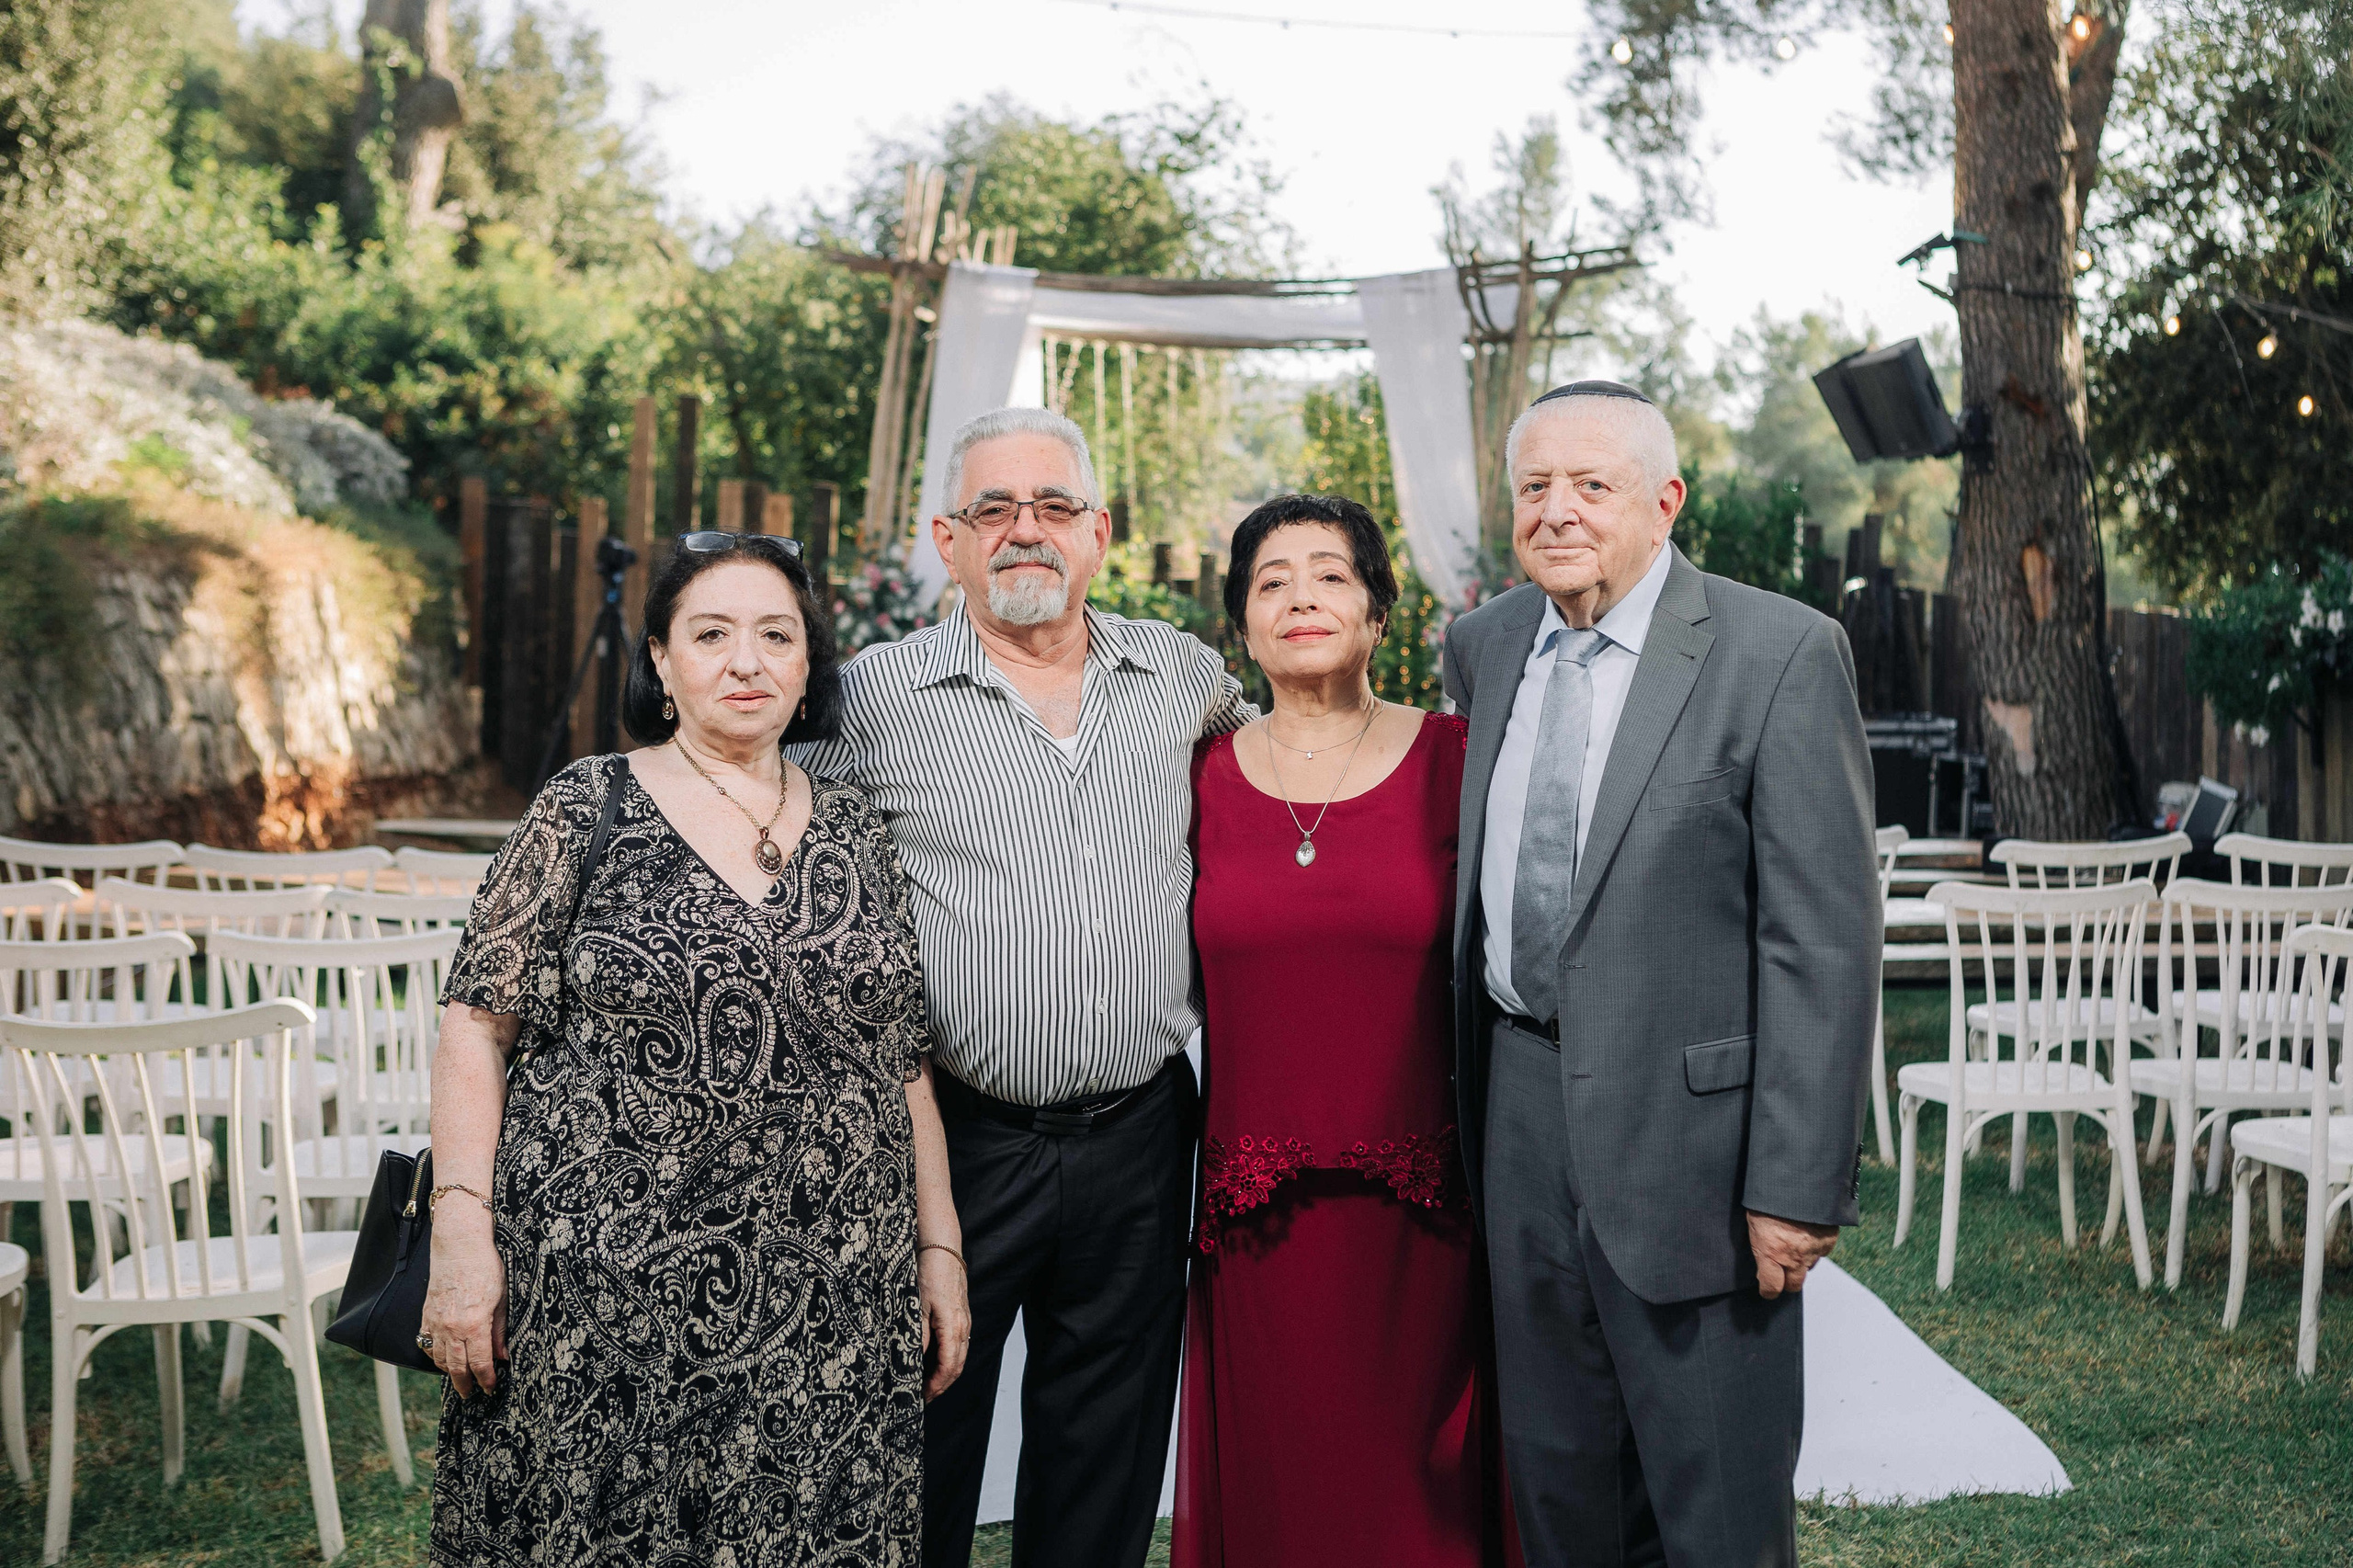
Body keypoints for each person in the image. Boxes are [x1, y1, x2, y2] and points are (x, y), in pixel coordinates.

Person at [421, 530, 970, 1567]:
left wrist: (938, 1252)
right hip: (599, 1297)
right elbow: (474, 1024)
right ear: (663, 663)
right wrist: (461, 1236)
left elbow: (901, 1060)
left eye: (776, 634)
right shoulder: (584, 805)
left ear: (809, 665)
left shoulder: (855, 826)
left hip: (832, 1302)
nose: (746, 659)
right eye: (710, 634)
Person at [791, 407, 1253, 1568]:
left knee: (1103, 1453)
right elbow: (748, 811)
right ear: (946, 540)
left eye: (1050, 507)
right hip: (954, 1141)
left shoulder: (1184, 677)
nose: (1023, 531)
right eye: (992, 509)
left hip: (1143, 1132)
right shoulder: (873, 697)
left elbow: (1300, 774)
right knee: (920, 1440)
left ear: (1097, 533)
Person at [1443, 381, 1879, 1568]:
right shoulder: (1481, 648)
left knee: (1717, 1512)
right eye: (1535, 486)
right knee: (1559, 1487)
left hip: (1701, 1146)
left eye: (1593, 483)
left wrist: (1794, 1183)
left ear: (1664, 499)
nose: (1558, 511)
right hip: (1519, 1112)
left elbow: (1823, 939)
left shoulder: (1778, 649)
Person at [1171, 494, 1507, 1568]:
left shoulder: (1462, 758)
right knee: (1283, 1487)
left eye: (1330, 574)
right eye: (1271, 581)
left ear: (1377, 611)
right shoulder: (1193, 777)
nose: (1301, 596)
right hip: (1257, 1225)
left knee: (1422, 1498)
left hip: (1427, 1216)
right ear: (1241, 624)